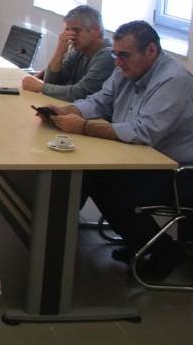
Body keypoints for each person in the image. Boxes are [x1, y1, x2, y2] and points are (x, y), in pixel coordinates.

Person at [43, 20, 193, 279]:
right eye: (116, 54)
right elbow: (101, 100)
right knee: (91, 174)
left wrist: (84, 127)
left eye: (124, 55)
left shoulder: (173, 80)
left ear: (151, 51)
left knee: (107, 182)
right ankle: (137, 242)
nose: (118, 62)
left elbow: (144, 132)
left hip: (178, 171)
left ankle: (164, 252)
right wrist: (68, 110)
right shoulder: (126, 68)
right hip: (141, 159)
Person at [21, 5, 114, 102]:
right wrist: (59, 51)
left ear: (96, 30)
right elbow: (52, 81)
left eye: (76, 30)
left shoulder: (108, 55)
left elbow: (80, 93)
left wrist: (41, 87)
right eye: (68, 30)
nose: (70, 36)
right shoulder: (79, 50)